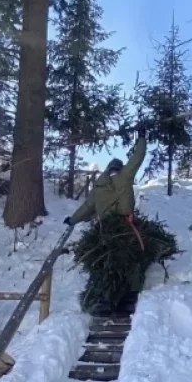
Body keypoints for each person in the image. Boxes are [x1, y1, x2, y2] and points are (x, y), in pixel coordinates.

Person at [64, 128, 147, 315]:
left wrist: (72, 220)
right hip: (125, 226)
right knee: (130, 259)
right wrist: (142, 137)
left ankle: (106, 300)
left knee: (105, 261)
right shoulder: (125, 176)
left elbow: (87, 207)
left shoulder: (98, 187)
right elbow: (138, 157)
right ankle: (129, 299)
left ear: (108, 169)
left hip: (104, 230)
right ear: (120, 168)